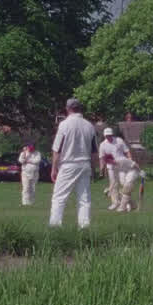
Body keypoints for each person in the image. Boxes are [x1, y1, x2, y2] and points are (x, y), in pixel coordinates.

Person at [47, 98, 97, 230]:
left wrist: (53, 168)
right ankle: (84, 227)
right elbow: (93, 152)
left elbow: (57, 149)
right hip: (85, 164)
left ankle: (55, 226)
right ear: (80, 108)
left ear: (67, 108)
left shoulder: (64, 125)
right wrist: (93, 169)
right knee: (84, 198)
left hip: (68, 164)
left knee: (59, 197)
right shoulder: (89, 126)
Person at [18, 140, 42, 206]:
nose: (31, 149)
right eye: (30, 147)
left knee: (32, 188)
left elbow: (37, 161)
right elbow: (21, 161)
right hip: (25, 173)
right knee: (26, 188)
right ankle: (25, 202)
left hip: (34, 173)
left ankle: (31, 202)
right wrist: (25, 154)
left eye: (32, 147)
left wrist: (28, 160)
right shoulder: (24, 153)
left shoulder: (37, 153)